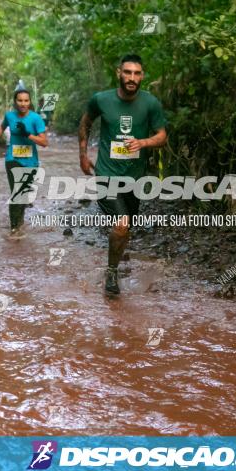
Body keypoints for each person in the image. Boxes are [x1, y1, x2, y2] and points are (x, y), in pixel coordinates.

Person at [78, 54, 168, 295]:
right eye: (127, 72)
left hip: (134, 178)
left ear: (142, 76)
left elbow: (162, 135)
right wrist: (83, 155)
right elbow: (86, 122)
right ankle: (111, 273)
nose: (132, 78)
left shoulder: (150, 103)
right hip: (107, 174)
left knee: (125, 228)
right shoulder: (101, 100)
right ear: (119, 73)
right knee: (121, 224)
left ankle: (115, 262)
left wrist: (143, 142)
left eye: (137, 74)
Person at [0, 81, 48, 240]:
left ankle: (20, 221)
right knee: (16, 192)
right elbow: (1, 126)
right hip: (12, 159)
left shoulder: (36, 119)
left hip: (31, 162)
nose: (23, 104)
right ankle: (14, 229)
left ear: (30, 102)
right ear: (15, 102)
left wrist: (27, 134)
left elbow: (44, 142)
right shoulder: (10, 116)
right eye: (20, 100)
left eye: (26, 101)